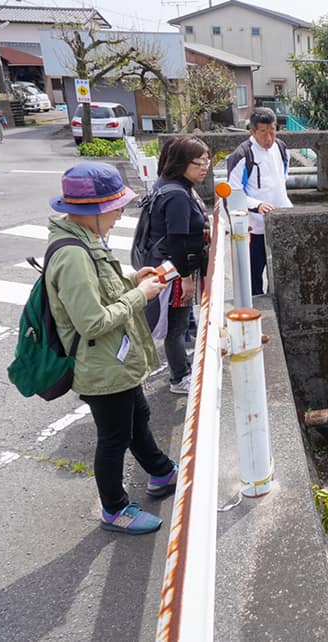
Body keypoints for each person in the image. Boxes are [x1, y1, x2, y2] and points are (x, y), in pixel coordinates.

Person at [45, 162, 177, 535]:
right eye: (117, 208)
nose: (121, 215)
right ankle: (114, 508)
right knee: (114, 437)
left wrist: (136, 277)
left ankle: (161, 472)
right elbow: (91, 322)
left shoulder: (86, 240)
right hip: (100, 365)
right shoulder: (72, 254)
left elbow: (102, 288)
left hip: (113, 360)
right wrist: (141, 295)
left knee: (137, 418)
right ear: (97, 210)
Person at [148, 136, 211, 394]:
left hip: (172, 267)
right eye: (200, 163)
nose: (205, 168)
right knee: (176, 327)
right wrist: (185, 278)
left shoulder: (171, 184)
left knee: (180, 324)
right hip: (175, 271)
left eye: (208, 162)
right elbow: (177, 242)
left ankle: (181, 368)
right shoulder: (177, 196)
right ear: (184, 162)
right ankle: (179, 377)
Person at [227, 107, 292, 296]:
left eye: (272, 130)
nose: (269, 137)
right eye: (263, 132)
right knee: (255, 272)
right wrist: (257, 205)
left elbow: (283, 178)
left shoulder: (281, 147)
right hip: (256, 226)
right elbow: (233, 193)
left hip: (282, 218)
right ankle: (257, 306)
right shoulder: (242, 155)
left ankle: (278, 302)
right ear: (252, 132)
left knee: (281, 269)